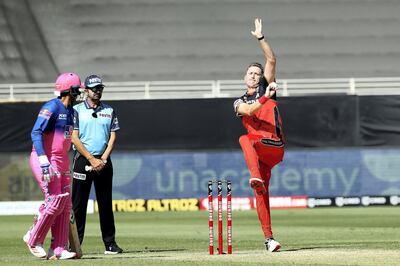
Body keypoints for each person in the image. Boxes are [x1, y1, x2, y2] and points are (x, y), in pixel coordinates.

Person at [233, 18, 285, 252]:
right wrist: (265, 97)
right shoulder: (238, 102)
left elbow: (271, 59)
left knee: (244, 139)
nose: (254, 76)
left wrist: (260, 38)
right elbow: (250, 110)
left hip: (273, 145)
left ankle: (255, 176)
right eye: (251, 73)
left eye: (257, 73)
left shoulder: (267, 87)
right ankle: (269, 239)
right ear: (245, 78)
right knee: (260, 192)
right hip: (260, 155)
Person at [23, 72, 82, 260]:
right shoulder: (52, 107)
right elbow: (36, 132)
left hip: (62, 158)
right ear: (68, 90)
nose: (78, 94)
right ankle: (33, 238)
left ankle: (58, 248)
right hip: (45, 158)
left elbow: (65, 139)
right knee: (55, 199)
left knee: (65, 204)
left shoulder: (73, 112)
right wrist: (43, 160)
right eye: (76, 90)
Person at [71, 74, 123, 255]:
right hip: (83, 160)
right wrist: (92, 159)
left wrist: (103, 159)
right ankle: (75, 245)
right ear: (86, 90)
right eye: (94, 88)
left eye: (100, 88)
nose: (98, 91)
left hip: (104, 161)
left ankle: (110, 244)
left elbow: (113, 137)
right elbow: (74, 138)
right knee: (78, 205)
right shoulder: (76, 110)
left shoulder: (109, 110)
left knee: (106, 204)